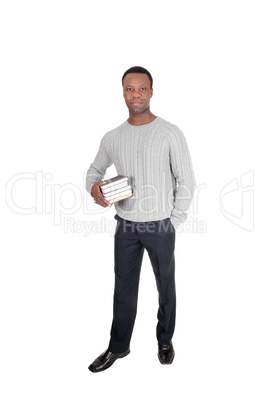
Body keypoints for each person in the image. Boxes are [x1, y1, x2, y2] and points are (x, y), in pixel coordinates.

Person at [85, 66, 196, 373]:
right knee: (123, 290)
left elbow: (186, 179)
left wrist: (173, 219)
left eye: (142, 88)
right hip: (126, 226)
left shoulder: (169, 132)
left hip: (161, 226)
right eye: (129, 89)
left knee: (165, 287)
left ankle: (164, 340)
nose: (136, 94)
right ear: (123, 93)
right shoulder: (113, 137)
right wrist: (94, 188)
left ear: (151, 91)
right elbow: (94, 172)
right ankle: (118, 347)